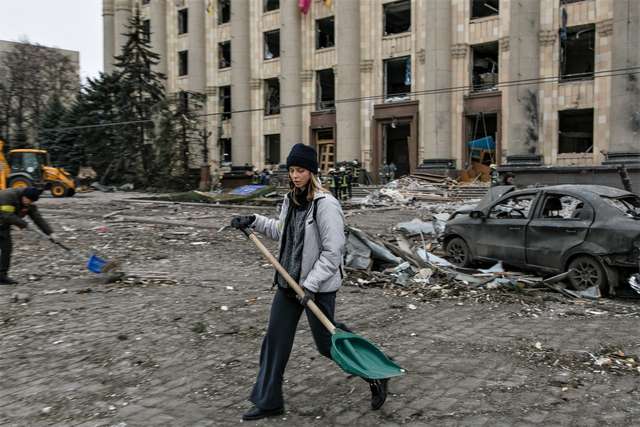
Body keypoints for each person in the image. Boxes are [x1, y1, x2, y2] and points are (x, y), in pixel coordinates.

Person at [230, 143, 389, 421]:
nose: (295, 175)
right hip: (288, 284)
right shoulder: (290, 200)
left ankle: (375, 374)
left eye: (300, 170)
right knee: (275, 343)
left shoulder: (326, 205)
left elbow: (333, 252)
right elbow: (282, 233)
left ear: (312, 172)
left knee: (328, 345)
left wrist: (311, 285)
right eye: (292, 170)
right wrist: (253, 220)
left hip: (317, 288)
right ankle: (269, 402)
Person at [0, 187, 55, 285]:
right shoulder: (8, 196)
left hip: (3, 225)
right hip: (3, 220)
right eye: (28, 200)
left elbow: (38, 218)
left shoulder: (28, 203)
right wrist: (24, 224)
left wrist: (50, 233)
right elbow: (6, 215)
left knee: (6, 248)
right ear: (24, 196)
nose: (29, 202)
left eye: (31, 201)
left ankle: (2, 276)